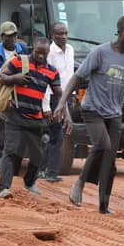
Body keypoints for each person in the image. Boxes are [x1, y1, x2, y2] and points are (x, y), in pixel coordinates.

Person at [54, 15, 124, 215]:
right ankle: (80, 183)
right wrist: (62, 102)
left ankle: (103, 205)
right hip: (92, 109)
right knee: (102, 145)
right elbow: (77, 77)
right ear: (119, 32)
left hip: (114, 113)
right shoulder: (100, 52)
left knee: (110, 162)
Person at [0, 37, 68, 198]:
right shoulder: (19, 63)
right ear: (32, 49)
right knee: (11, 151)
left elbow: (59, 95)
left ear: (48, 53)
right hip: (15, 115)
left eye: (44, 53)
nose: (41, 56)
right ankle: (3, 188)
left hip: (35, 118)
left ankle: (29, 183)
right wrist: (15, 78)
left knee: (38, 154)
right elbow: (2, 77)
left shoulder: (52, 71)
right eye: (38, 52)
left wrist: (66, 114)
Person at [0, 21, 29, 168]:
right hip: (2, 92)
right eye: (8, 36)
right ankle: (1, 157)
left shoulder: (22, 49)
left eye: (14, 35)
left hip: (20, 92)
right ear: (2, 37)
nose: (12, 39)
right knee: (4, 126)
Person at [39, 22, 75, 182]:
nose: (64, 37)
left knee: (55, 135)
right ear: (53, 35)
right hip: (52, 98)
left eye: (66, 33)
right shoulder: (50, 53)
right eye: (60, 34)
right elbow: (46, 81)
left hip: (65, 98)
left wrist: (71, 95)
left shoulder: (71, 50)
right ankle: (51, 172)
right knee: (57, 135)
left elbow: (69, 75)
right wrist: (46, 106)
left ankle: (40, 168)